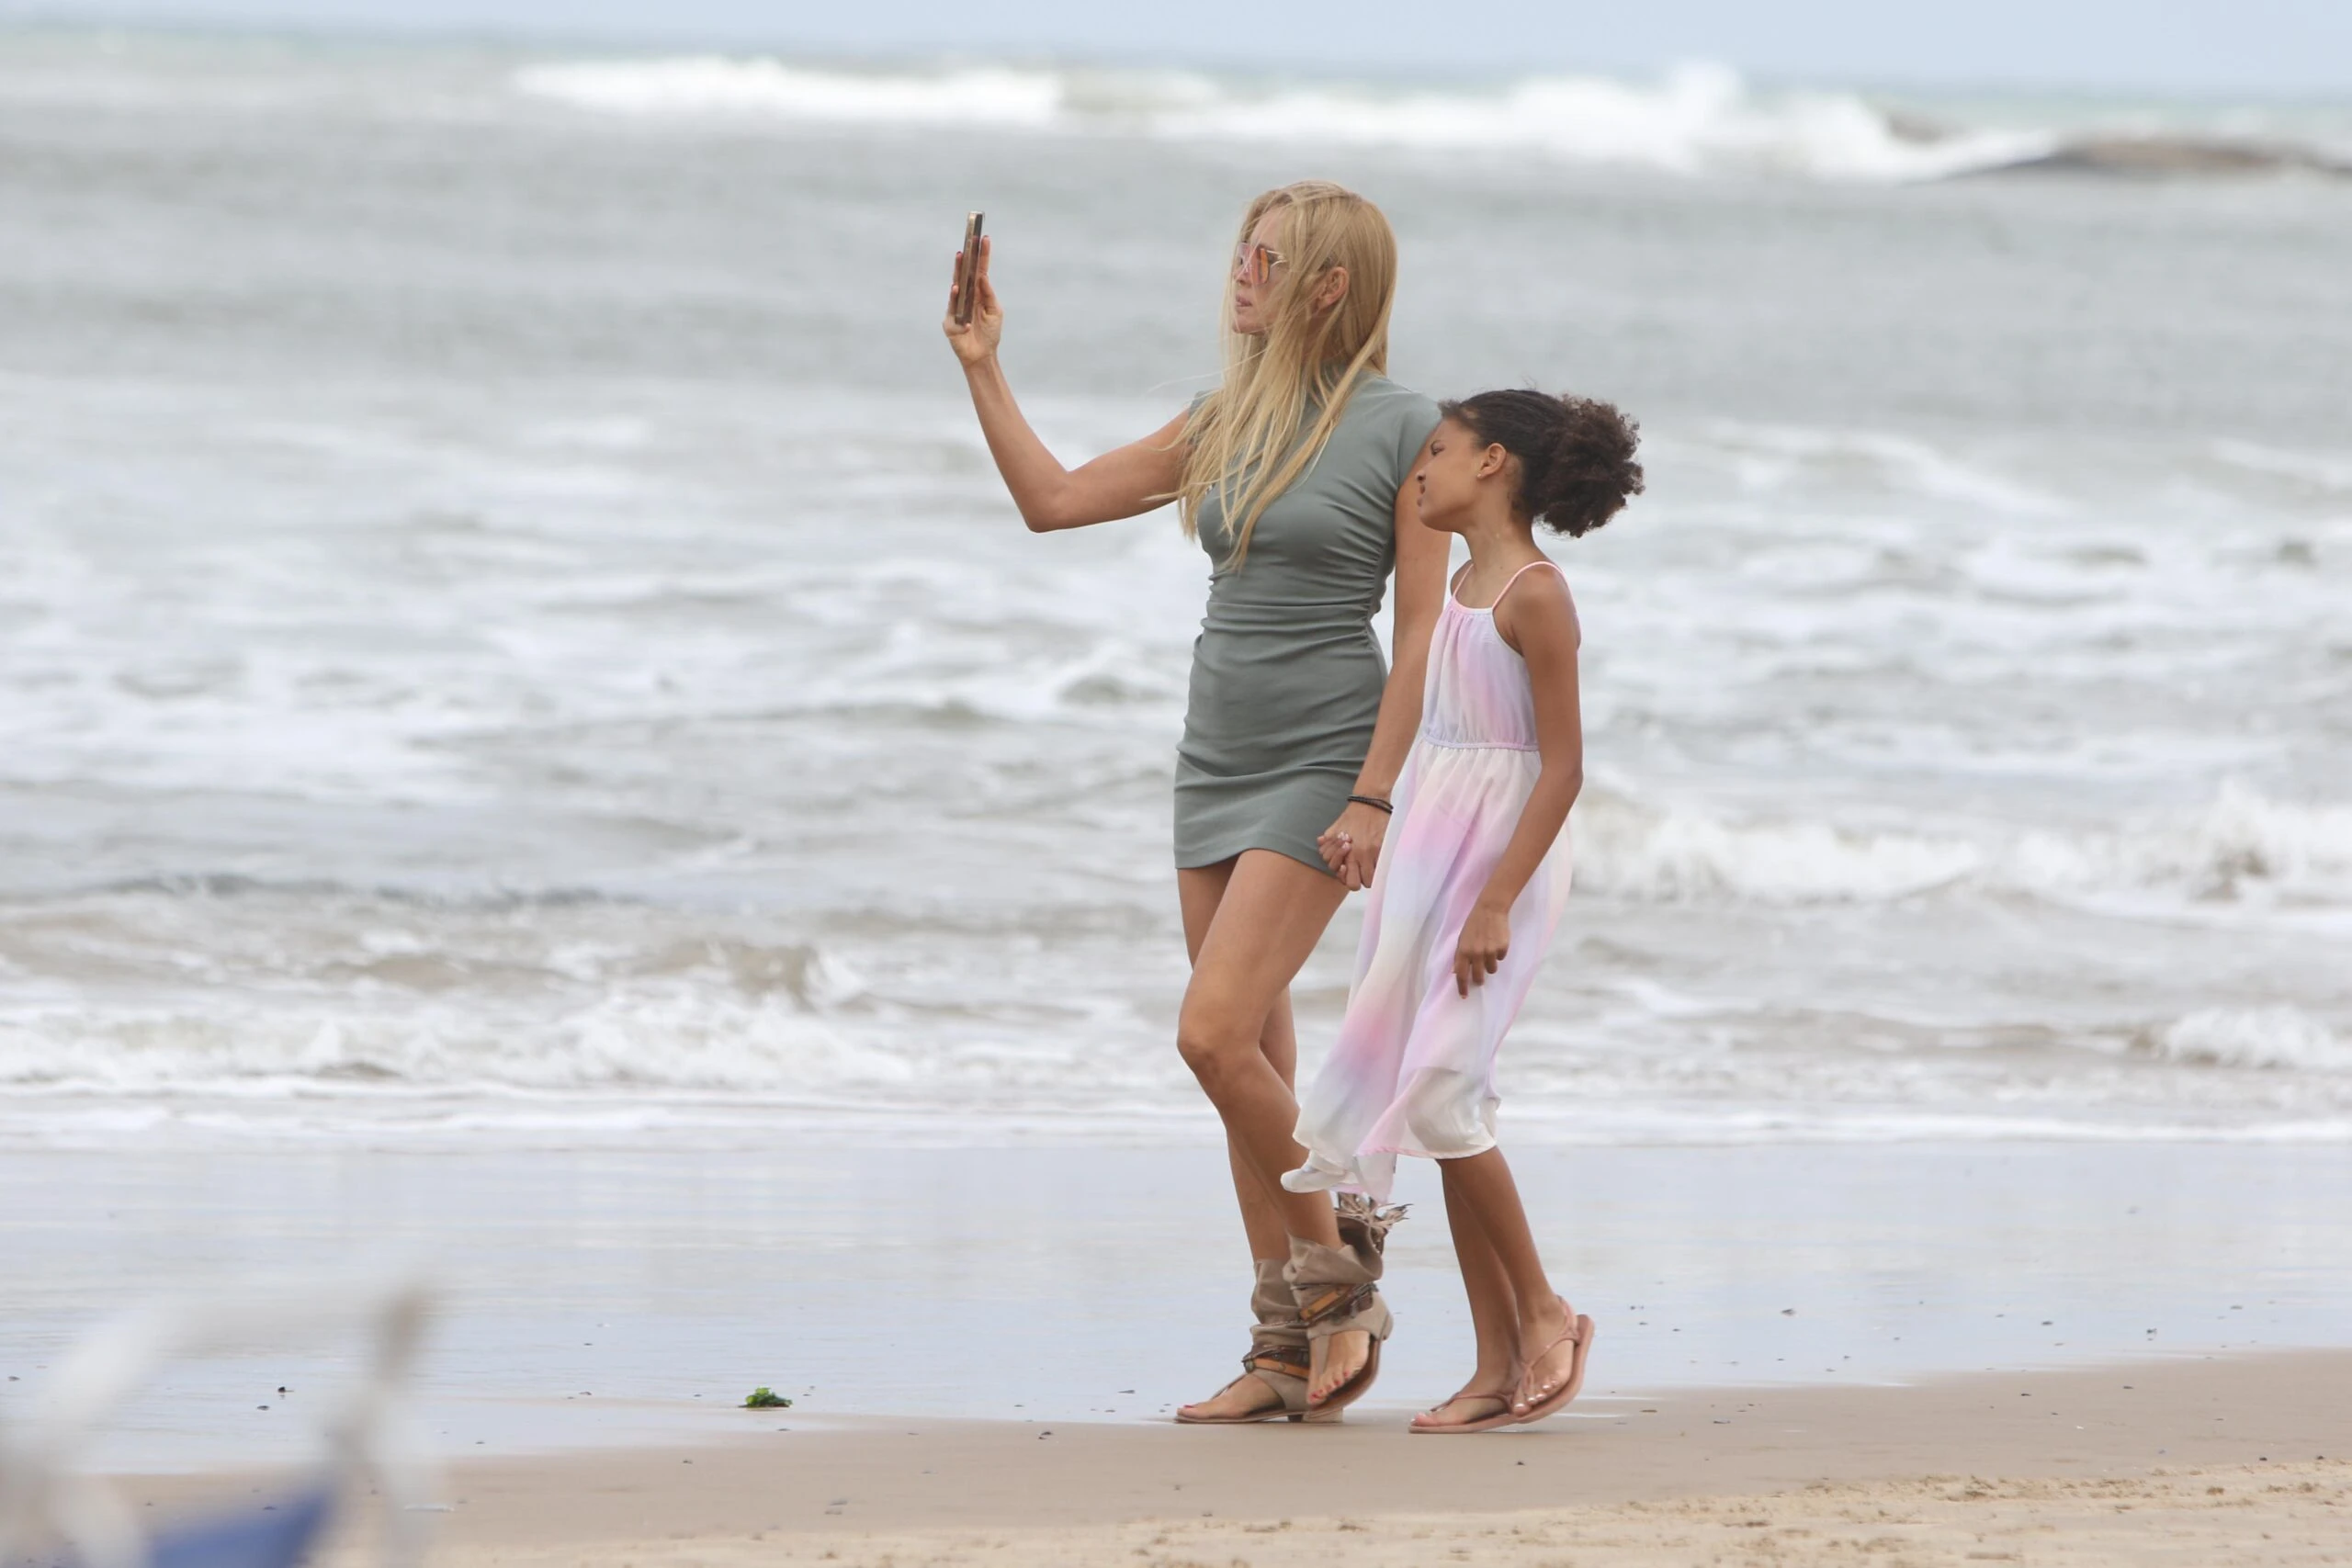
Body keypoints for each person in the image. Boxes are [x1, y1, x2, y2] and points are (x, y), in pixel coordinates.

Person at [942, 182, 1445, 1422]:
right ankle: (1284, 1352)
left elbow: (1423, 633)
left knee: (1211, 1034)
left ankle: (1339, 1283)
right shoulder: (1229, 415)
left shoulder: (1408, 429)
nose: (1241, 273)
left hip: (1326, 755)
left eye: (1268, 259)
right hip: (1216, 753)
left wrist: (1375, 796)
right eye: (1241, 252)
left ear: (1328, 285)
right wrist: (983, 364)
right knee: (1248, 1066)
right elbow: (1053, 501)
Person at [1283, 388, 1645, 1433]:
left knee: (1444, 1097)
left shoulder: (1537, 596)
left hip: (1500, 868)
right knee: (1432, 1106)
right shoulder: (1454, 590)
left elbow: (1562, 770)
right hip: (1429, 855)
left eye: (1437, 451)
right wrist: (1373, 813)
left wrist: (1495, 900)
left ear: (1492, 464)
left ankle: (1546, 1313)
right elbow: (1431, 723)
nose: (1420, 471)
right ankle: (1493, 1366)